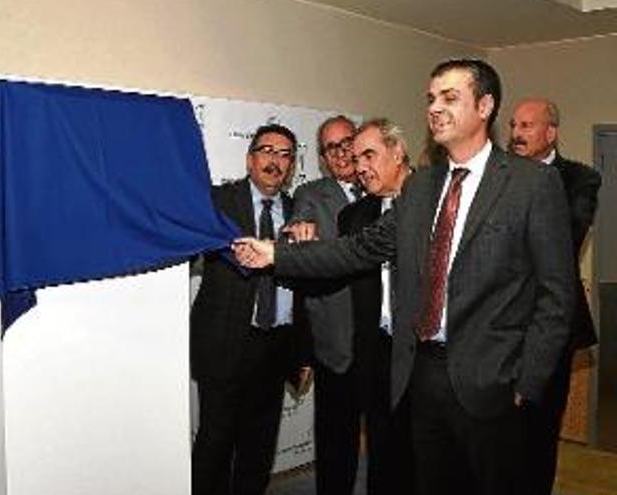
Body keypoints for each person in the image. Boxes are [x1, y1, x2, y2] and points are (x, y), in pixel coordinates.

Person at [234, 59, 576, 495]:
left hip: (494, 383)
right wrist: (276, 255)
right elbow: (356, 249)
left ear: (485, 105)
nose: (435, 108)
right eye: (431, 99)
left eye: (450, 98)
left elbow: (556, 295)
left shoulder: (533, 184)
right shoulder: (421, 188)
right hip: (422, 376)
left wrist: (528, 380)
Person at [191, 124, 310, 495]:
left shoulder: (300, 213)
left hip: (276, 348)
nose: (276, 161)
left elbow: (308, 290)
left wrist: (303, 353)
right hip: (225, 345)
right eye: (267, 151)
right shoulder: (217, 202)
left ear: (292, 166)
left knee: (258, 448)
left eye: (285, 154)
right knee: (214, 445)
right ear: (250, 158)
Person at [509, 97, 601, 495]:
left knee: (539, 431)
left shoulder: (580, 179)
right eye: (513, 125)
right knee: (497, 434)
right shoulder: (498, 175)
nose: (515, 134)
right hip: (498, 324)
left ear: (551, 133)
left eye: (527, 126)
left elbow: (565, 238)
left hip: (551, 326)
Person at [337, 118, 415, 495]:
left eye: (369, 154)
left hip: (426, 352)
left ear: (398, 152)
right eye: (356, 159)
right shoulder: (353, 217)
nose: (360, 166)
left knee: (430, 454)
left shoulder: (437, 200)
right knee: (382, 451)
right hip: (375, 350)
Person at [290, 115, 365, 495]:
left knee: (391, 438)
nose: (340, 153)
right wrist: (302, 233)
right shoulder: (311, 196)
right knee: (336, 439)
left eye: (346, 142)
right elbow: (301, 226)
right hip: (337, 342)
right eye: (330, 147)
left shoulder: (385, 190)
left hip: (384, 339)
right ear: (322, 157)